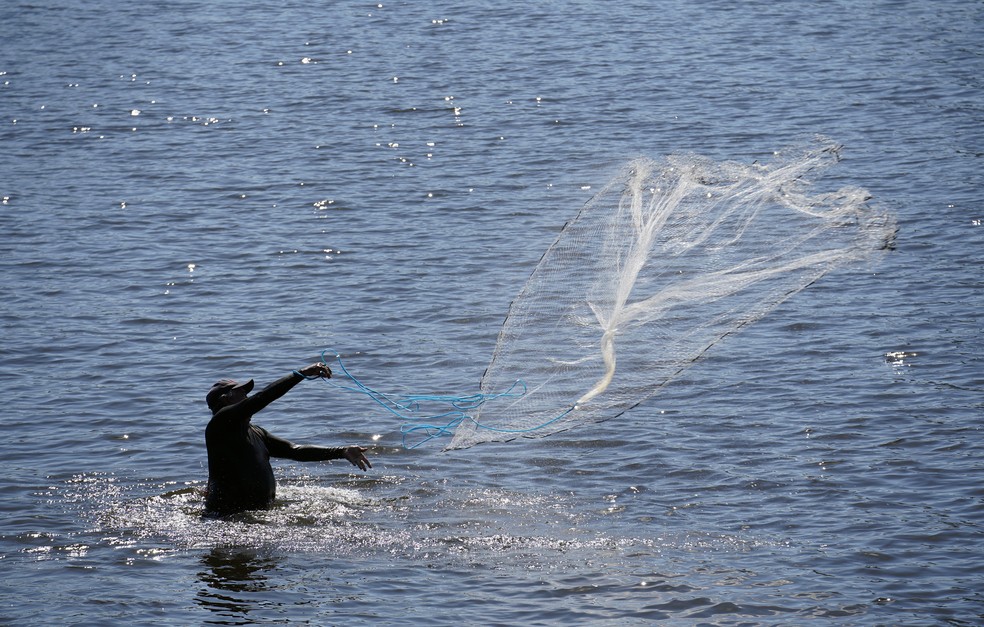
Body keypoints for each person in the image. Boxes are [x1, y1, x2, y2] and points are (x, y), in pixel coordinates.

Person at [203, 361, 372, 515]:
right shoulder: (220, 424)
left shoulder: (256, 432)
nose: (247, 397)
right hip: (227, 517)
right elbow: (262, 398)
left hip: (253, 516)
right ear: (226, 399)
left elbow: (294, 451)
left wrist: (341, 451)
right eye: (242, 393)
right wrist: (299, 374)